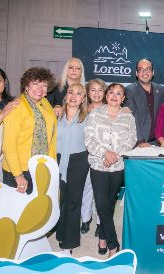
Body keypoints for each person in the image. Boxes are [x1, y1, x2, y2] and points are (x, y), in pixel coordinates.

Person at [85, 83, 136, 257]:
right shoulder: (94, 114)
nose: (114, 96)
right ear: (106, 96)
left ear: (123, 98)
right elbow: (89, 139)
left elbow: (131, 140)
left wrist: (114, 155)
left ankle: (103, 238)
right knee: (100, 204)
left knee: (109, 204)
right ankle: (114, 246)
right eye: (111, 93)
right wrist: (104, 154)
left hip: (118, 166)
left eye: (119, 94)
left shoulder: (128, 117)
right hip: (98, 165)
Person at [2, 67, 57, 194]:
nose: (40, 89)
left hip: (40, 168)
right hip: (18, 170)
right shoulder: (16, 107)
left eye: (44, 85)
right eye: (35, 83)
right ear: (26, 85)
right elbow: (9, 144)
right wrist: (18, 175)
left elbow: (52, 139)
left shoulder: (46, 104)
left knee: (37, 210)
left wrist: (51, 167)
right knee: (16, 211)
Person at [55, 83, 89, 255]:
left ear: (83, 98)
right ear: (66, 95)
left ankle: (69, 244)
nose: (74, 96)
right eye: (71, 92)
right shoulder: (56, 115)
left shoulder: (88, 117)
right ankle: (61, 234)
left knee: (74, 202)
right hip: (58, 159)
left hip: (78, 160)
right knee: (61, 200)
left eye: (78, 93)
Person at [80, 78, 107, 236]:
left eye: (100, 90)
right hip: (84, 153)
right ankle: (85, 218)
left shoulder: (110, 108)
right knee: (86, 187)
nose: (96, 93)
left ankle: (100, 222)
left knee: (100, 189)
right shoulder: (82, 108)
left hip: (102, 154)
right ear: (87, 92)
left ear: (104, 93)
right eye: (92, 90)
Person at [125, 58, 164, 147]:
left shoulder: (162, 90)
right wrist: (140, 141)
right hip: (140, 143)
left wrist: (163, 139)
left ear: (153, 72)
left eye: (148, 69)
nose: (145, 73)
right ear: (136, 73)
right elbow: (133, 117)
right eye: (141, 70)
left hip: (160, 142)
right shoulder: (130, 90)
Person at [0, 66, 18, 182]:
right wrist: (2, 114)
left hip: (9, 163)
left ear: (5, 82)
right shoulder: (6, 109)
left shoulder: (13, 104)